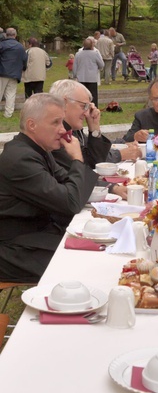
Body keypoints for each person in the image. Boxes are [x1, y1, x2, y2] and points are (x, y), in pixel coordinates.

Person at [0, 93, 98, 282]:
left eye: (62, 122)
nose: (63, 130)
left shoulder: (37, 149)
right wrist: (77, 159)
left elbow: (69, 182)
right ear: (32, 125)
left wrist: (111, 189)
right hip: (12, 249)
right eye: (55, 123)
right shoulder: (21, 158)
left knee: (93, 246)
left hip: (35, 235)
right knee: (86, 265)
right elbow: (71, 202)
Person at [49, 80, 140, 199]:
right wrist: (112, 187)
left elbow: (95, 162)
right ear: (64, 102)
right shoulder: (55, 135)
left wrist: (94, 128)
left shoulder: (73, 128)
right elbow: (78, 172)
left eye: (89, 107)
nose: (87, 113)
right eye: (84, 106)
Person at [0, 27, 27, 118]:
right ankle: (8, 113)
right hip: (15, 73)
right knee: (11, 94)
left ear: (6, 35)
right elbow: (24, 60)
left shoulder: (2, 45)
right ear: (15, 35)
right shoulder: (20, 46)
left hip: (2, 72)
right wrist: (23, 69)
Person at [73, 38, 104, 107]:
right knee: (93, 96)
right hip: (92, 78)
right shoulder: (95, 54)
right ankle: (93, 109)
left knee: (82, 96)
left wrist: (74, 75)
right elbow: (101, 64)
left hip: (81, 78)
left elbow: (75, 66)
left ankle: (82, 108)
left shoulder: (78, 54)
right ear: (91, 46)